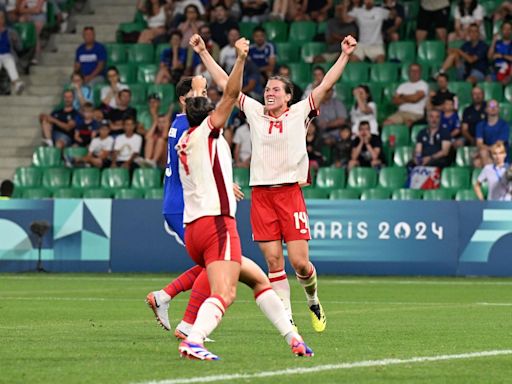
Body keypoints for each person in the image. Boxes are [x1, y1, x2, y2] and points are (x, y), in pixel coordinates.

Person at [192, 31, 358, 333]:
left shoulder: (300, 112)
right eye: (267, 89)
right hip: (262, 196)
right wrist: (204, 52)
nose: (269, 93)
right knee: (273, 262)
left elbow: (326, 84)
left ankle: (313, 300)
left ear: (288, 96)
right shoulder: (255, 112)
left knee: (301, 264)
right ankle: (287, 320)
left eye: (275, 90)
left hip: (290, 194)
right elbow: (224, 85)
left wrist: (344, 54)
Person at [175, 44, 313, 360]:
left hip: (193, 228)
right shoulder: (209, 131)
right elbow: (230, 91)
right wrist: (239, 59)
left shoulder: (184, 139)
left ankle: (293, 337)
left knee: (259, 279)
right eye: (209, 103)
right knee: (225, 292)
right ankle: (193, 338)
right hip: (216, 225)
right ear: (208, 115)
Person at [383, 63, 428, 127]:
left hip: (416, 114)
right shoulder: (402, 86)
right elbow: (395, 101)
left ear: (420, 72)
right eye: (412, 70)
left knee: (408, 124)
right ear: (409, 72)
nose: (414, 73)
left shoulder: (423, 84)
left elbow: (415, 99)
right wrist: (410, 98)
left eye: (417, 71)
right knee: (386, 123)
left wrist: (402, 96)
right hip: (400, 112)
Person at [474, 100, 510, 167]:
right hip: (487, 154)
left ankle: (492, 175)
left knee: (482, 154)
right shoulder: (480, 125)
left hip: (500, 155)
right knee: (477, 161)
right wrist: (485, 150)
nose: (493, 108)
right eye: (490, 106)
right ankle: (492, 174)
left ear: (499, 109)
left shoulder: (504, 125)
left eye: (495, 106)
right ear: (486, 109)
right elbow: (479, 143)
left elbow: (498, 145)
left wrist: (485, 149)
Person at [0, 10, 24, 94]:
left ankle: (17, 84)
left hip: (7, 54)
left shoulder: (11, 32)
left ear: (3, 20)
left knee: (10, 62)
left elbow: (20, 48)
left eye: (1, 18)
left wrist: (15, 40)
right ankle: (16, 83)